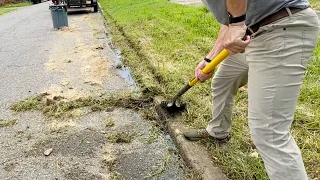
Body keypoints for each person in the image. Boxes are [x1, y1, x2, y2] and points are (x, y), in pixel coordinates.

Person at [183, 0, 319, 179]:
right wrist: (209, 59)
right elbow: (228, 23)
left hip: (281, 28)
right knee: (223, 81)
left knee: (269, 133)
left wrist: (238, 22)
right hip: (251, 36)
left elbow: (235, 20)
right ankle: (218, 131)